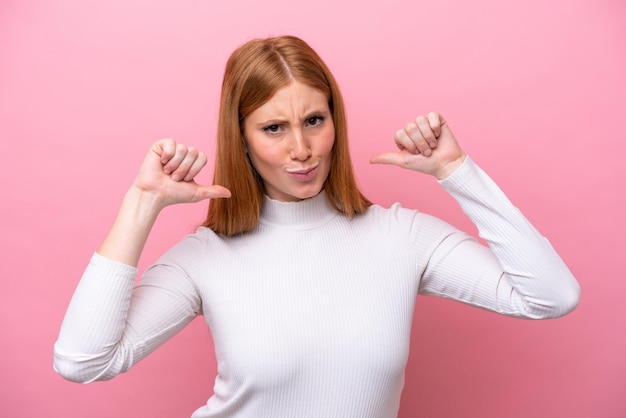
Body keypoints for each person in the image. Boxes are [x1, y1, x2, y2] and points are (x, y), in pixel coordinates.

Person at [53, 35, 580, 418]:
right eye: (274, 128)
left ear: (335, 123)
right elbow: (82, 361)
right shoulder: (206, 256)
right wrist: (142, 202)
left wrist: (456, 172)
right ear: (242, 140)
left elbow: (551, 296)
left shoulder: (402, 237)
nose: (300, 150)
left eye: (313, 121)